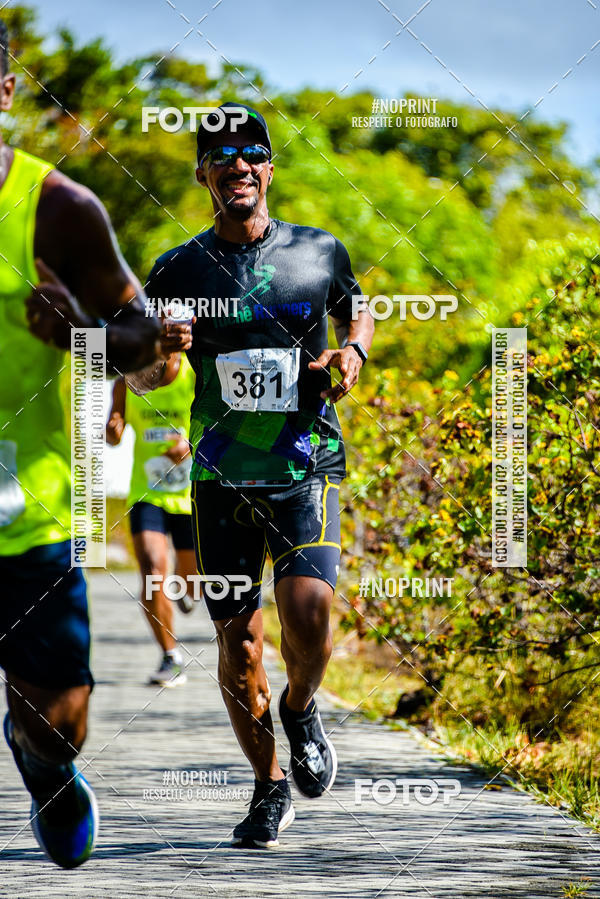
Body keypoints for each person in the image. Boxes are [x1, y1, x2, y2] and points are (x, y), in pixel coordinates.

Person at [127, 102, 374, 848]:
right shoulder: (177, 268)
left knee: (309, 616)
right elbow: (146, 375)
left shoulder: (318, 251)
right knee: (236, 645)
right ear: (203, 173)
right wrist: (158, 351)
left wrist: (351, 354)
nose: (238, 164)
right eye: (220, 154)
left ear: (268, 168)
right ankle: (269, 786)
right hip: (221, 476)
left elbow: (357, 311)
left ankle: (301, 705)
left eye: (251, 152)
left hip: (307, 467)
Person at [0, 20, 191, 869]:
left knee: (59, 720)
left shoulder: (56, 209)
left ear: (6, 92)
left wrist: (83, 333)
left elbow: (146, 348)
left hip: (24, 513)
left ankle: (45, 767)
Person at [106, 353, 197, 687]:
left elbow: (218, 423)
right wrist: (113, 430)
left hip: (190, 494)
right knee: (152, 568)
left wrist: (190, 445)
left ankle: (189, 591)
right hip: (147, 492)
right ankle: (170, 656)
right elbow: (113, 432)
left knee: (192, 584)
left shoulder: (194, 371)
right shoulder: (126, 381)